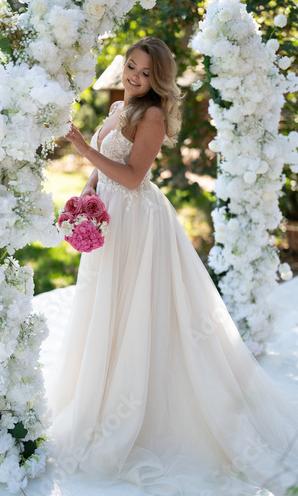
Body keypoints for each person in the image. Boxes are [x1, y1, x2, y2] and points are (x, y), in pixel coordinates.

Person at [46, 37, 298, 495]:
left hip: (138, 222)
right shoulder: (122, 105)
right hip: (110, 214)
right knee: (107, 307)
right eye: (131, 67)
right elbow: (106, 171)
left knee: (140, 308)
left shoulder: (153, 115)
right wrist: (84, 199)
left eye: (144, 74)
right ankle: (99, 391)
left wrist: (81, 146)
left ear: (157, 80)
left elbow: (132, 175)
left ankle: (141, 404)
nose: (134, 77)